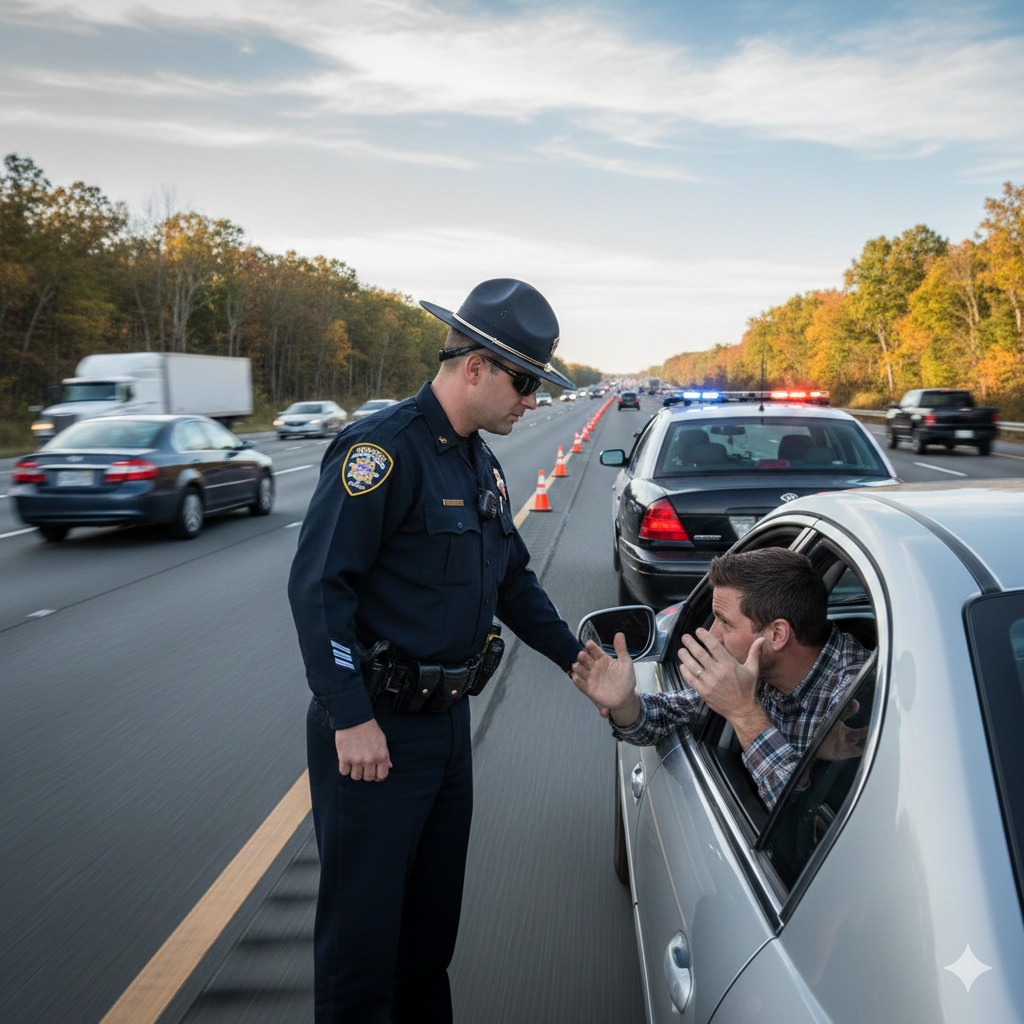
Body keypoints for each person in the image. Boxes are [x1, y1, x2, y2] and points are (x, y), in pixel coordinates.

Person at [288, 278, 582, 1024]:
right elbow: (322, 590)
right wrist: (350, 716)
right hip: (375, 737)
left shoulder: (477, 463)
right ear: (476, 367)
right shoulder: (380, 454)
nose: (532, 401)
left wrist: (580, 661)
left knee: (426, 947)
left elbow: (513, 582)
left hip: (447, 732)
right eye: (525, 383)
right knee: (362, 959)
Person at [571, 547, 871, 808]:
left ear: (777, 634)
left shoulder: (861, 697)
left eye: (724, 622)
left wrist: (743, 712)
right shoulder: (758, 669)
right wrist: (624, 703)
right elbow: (665, 716)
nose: (712, 634)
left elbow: (796, 824)